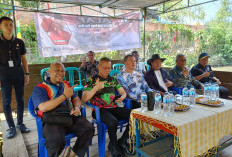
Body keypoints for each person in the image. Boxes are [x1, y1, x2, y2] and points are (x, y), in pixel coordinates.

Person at [31, 62, 94, 157]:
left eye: (63, 71)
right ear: (49, 72)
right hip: (52, 119)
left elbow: (75, 98)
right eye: (57, 70)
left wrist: (77, 107)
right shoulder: (41, 87)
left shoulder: (66, 84)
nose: (61, 73)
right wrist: (64, 96)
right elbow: (43, 107)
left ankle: (71, 154)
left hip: (69, 115)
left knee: (89, 129)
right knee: (56, 141)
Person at [82, 57, 134, 157]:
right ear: (99, 67)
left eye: (109, 68)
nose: (107, 70)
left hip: (113, 107)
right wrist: (96, 88)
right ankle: (113, 146)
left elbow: (123, 92)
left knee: (135, 115)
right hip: (99, 110)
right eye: (104, 68)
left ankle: (122, 141)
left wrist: (122, 97)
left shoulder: (113, 79)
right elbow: (84, 99)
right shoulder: (91, 80)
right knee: (112, 121)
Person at [0, 16, 30, 139]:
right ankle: (11, 127)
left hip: (18, 74)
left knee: (20, 100)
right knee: (6, 101)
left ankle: (20, 124)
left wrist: (27, 73)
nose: (9, 27)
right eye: (6, 24)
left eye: (11, 24)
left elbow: (24, 59)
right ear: (1, 27)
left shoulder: (19, 42)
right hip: (3, 75)